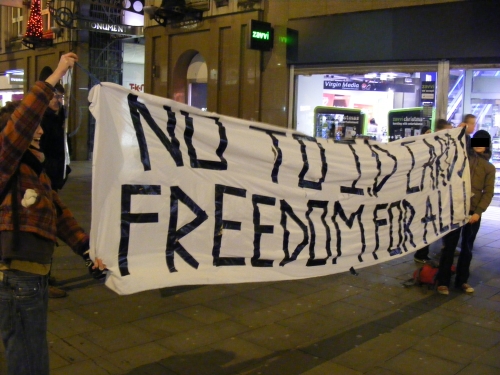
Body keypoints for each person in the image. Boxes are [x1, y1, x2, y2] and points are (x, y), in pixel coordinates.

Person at [0, 52, 105, 375]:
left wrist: (88, 251)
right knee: (28, 356)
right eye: (35, 130)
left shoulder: (35, 171)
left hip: (34, 278)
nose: (40, 132)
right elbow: (24, 120)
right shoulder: (5, 163)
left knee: (32, 351)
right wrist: (57, 72)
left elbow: (61, 217)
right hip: (15, 278)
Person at [436, 130, 496, 295]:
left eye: (483, 142)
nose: (479, 145)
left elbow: (488, 192)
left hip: (473, 213)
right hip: (456, 210)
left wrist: (478, 212)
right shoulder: (461, 160)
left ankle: (462, 280)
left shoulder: (489, 168)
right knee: (449, 246)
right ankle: (443, 281)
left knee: (467, 248)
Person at [413, 118, 453, 263]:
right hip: (429, 192)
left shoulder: (443, 144)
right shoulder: (430, 145)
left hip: (438, 191)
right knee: (427, 222)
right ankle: (421, 252)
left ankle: (427, 251)